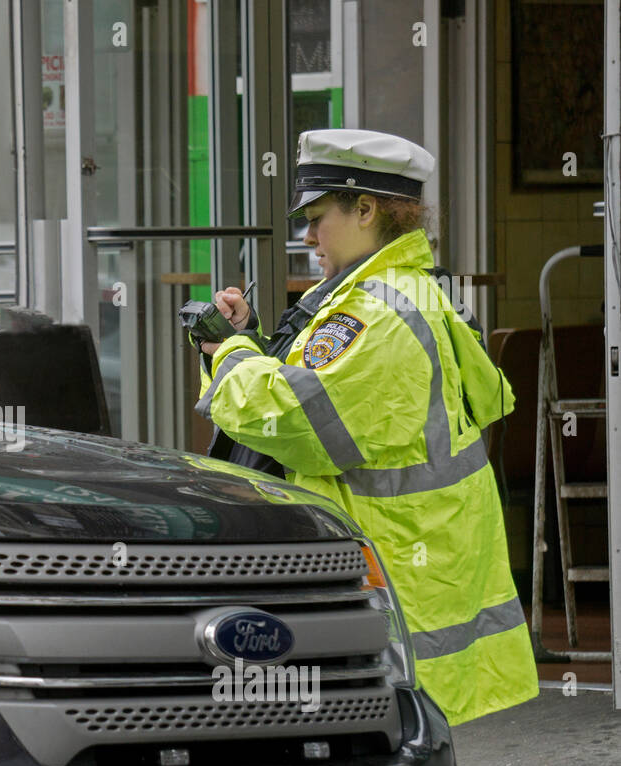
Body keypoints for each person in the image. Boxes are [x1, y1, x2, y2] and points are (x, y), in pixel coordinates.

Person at [194, 128, 538, 726]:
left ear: (366, 209)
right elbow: (322, 392)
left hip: (384, 587)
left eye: (318, 217)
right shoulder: (394, 293)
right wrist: (247, 340)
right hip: (409, 570)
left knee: (360, 759)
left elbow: (296, 420)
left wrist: (227, 352)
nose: (308, 237)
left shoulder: (374, 313)